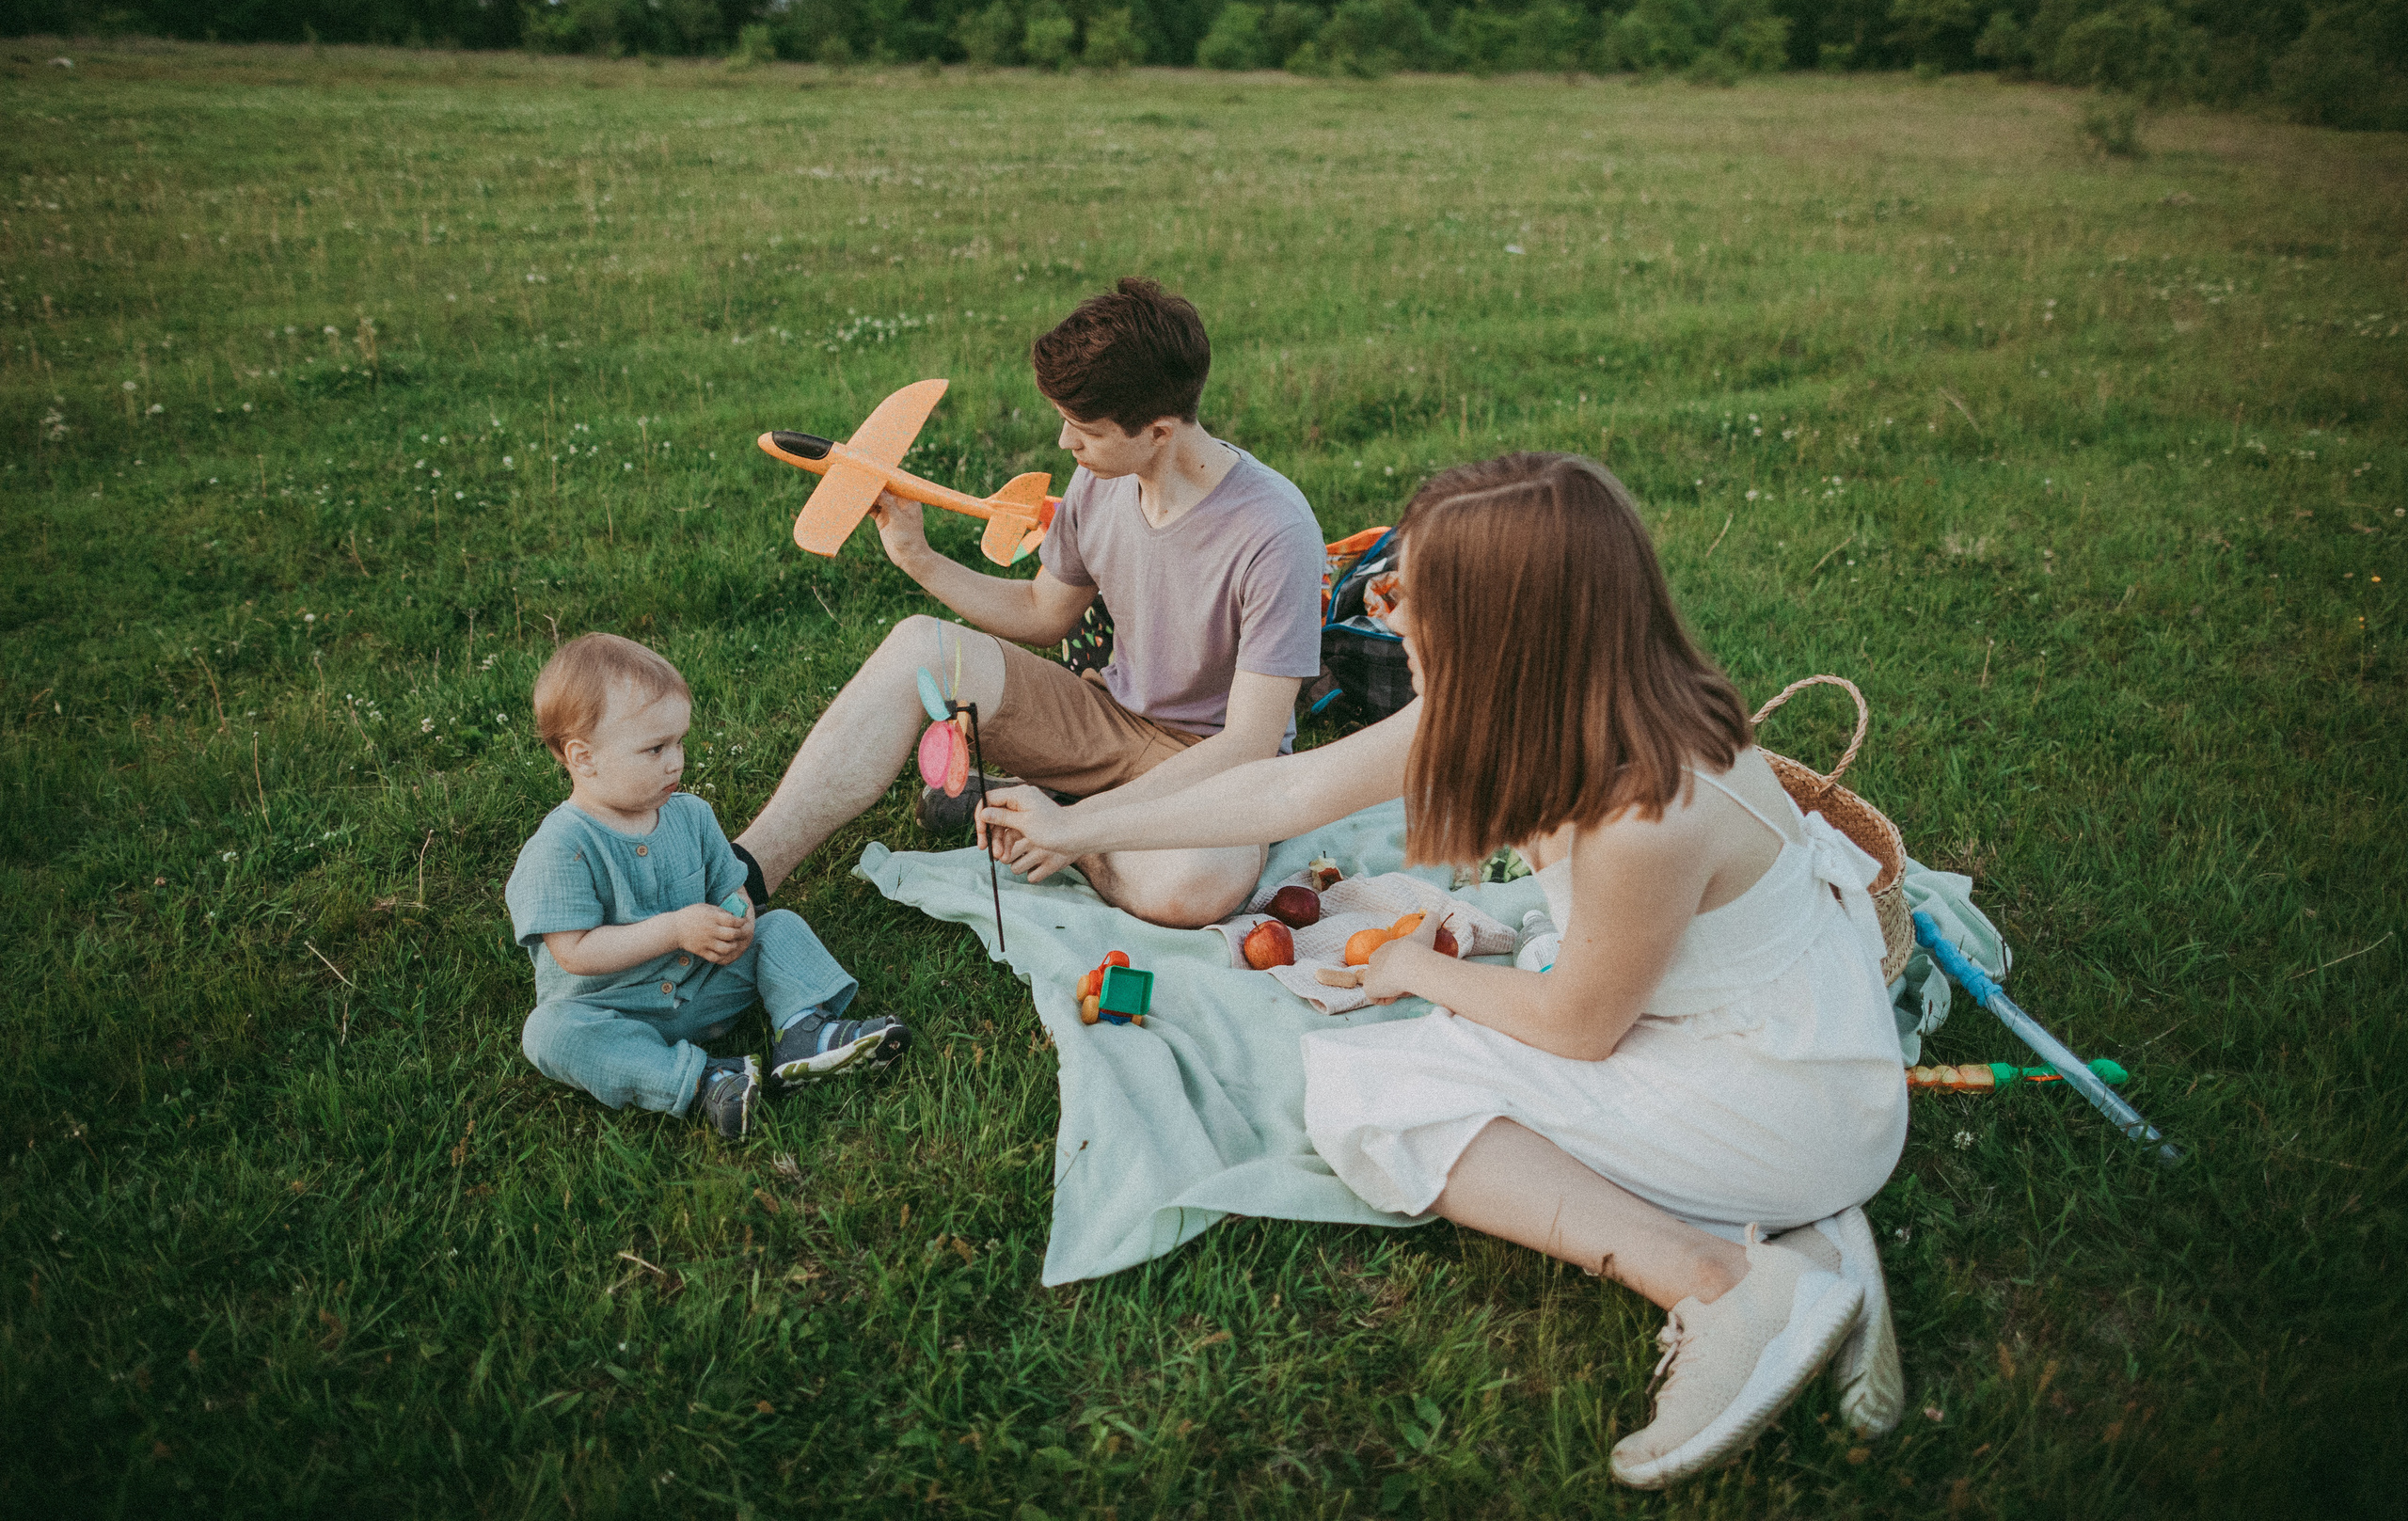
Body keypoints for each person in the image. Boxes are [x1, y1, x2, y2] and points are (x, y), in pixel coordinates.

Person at [979, 453, 1910, 1487]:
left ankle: (1721, 1281)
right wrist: (1083, 825)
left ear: (1499, 624)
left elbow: (1572, 1030)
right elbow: (1284, 794)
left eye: (1412, 594)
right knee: (1459, 1032)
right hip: (1782, 1047)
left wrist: (1417, 970)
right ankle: (1810, 1243)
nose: (1386, 611)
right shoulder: (1571, 699)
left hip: (1785, 1096)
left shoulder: (1644, 813)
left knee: (1368, 1095)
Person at [732, 277, 1326, 928]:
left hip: (1210, 764)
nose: (1066, 445)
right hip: (1108, 719)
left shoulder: (1276, 531)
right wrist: (919, 559)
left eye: (1084, 431)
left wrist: (1076, 827)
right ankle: (746, 869)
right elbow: (1046, 611)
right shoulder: (1103, 477)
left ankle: (1054, 821)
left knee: (1191, 887)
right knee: (915, 648)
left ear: (1158, 431)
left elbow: (1248, 743)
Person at [506, 634, 910, 1140]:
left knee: (778, 925)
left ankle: (807, 1030)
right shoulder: (562, 845)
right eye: (654, 748)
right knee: (547, 1034)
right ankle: (703, 1080)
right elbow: (575, 953)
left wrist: (738, 917)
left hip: (704, 985)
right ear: (583, 758)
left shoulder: (692, 816)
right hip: (612, 1008)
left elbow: (730, 885)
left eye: (679, 742)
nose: (675, 761)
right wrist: (676, 929)